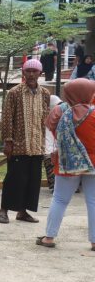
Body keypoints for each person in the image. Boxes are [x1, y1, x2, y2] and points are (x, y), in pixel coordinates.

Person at [36, 79, 95, 249]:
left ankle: (49, 237)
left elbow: (52, 132)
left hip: (67, 163)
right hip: (93, 163)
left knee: (60, 200)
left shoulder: (58, 112)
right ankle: (94, 241)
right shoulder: (93, 114)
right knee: (93, 201)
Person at [0, 59, 50, 224]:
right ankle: (3, 210)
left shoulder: (45, 94)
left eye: (35, 71)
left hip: (36, 145)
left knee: (32, 180)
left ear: (40, 74)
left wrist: (46, 142)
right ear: (23, 73)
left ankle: (23, 211)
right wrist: (8, 141)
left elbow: (46, 118)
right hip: (19, 144)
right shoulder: (14, 92)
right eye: (28, 71)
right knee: (14, 178)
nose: (31, 74)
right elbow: (7, 118)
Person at [44, 95, 62, 193]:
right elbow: (48, 141)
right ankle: (54, 186)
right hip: (49, 149)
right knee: (48, 157)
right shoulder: (47, 119)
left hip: (60, 148)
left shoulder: (64, 117)